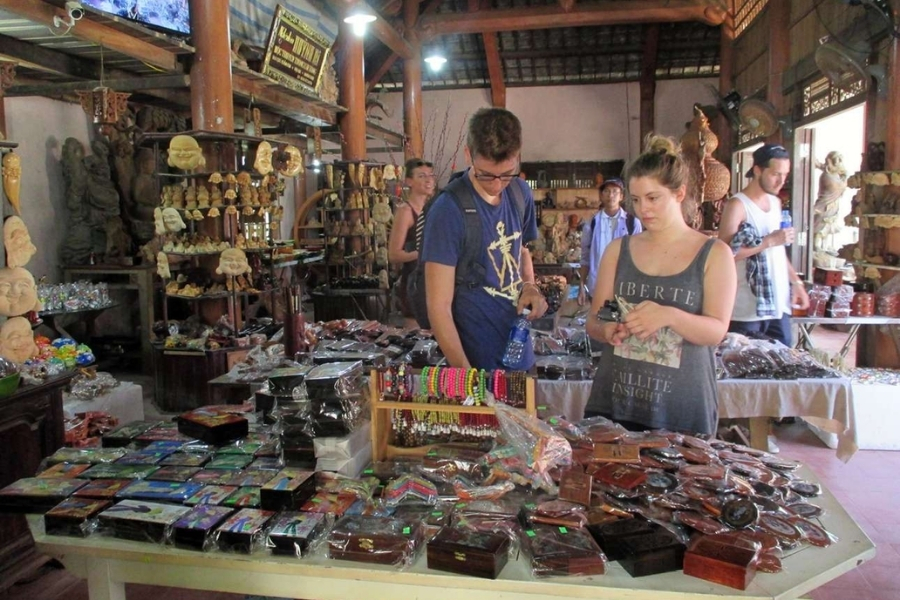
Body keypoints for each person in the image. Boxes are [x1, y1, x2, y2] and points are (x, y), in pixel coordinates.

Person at [584, 136, 736, 436]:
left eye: (653, 198)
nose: (643, 209)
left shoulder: (714, 254)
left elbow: (717, 330)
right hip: (618, 400)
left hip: (682, 406)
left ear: (679, 193)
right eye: (636, 200)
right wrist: (606, 330)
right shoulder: (617, 250)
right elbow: (596, 319)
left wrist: (669, 316)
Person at [421, 108, 548, 370]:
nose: (497, 183)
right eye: (487, 174)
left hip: (519, 353)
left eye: (507, 173)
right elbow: (438, 307)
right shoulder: (448, 211)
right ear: (469, 155)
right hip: (474, 362)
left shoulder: (519, 192)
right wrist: (468, 380)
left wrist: (530, 287)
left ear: (517, 158)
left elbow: (521, 251)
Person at [718, 144, 809, 346]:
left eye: (785, 175)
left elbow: (778, 252)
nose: (781, 181)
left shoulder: (776, 203)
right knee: (744, 368)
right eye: (775, 174)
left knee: (783, 367)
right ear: (758, 170)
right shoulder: (738, 205)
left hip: (778, 304)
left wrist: (796, 283)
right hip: (746, 308)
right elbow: (722, 255)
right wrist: (768, 241)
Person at [578, 178, 642, 305]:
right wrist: (581, 287)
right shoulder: (591, 223)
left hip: (624, 289)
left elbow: (639, 257)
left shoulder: (633, 223)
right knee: (598, 322)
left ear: (621, 196)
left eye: (615, 191)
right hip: (596, 287)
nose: (610, 195)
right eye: (606, 191)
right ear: (601, 196)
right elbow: (585, 258)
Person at [389, 158, 435, 329]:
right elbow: (394, 254)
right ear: (409, 181)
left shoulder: (433, 208)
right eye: (422, 176)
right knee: (416, 339)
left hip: (433, 279)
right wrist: (423, 253)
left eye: (431, 175)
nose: (429, 180)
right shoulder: (405, 211)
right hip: (414, 282)